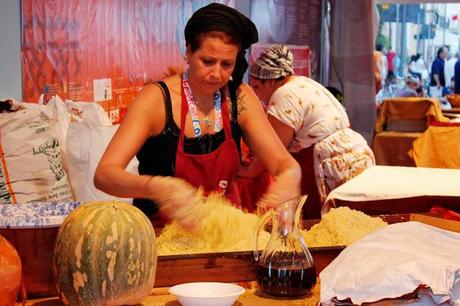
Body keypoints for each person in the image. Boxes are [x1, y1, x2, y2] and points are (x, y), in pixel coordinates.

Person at [94, 4, 301, 228]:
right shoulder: (156, 101)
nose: (216, 74)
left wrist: (290, 177)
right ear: (189, 51)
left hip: (226, 232)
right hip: (162, 235)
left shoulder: (239, 98)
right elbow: (104, 174)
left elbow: (284, 164)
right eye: (208, 61)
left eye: (226, 64)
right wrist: (155, 187)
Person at [245, 44, 375, 218]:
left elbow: (274, 150)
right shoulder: (305, 83)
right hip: (357, 153)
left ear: (270, 80)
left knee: (325, 224)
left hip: (330, 162)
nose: (257, 95)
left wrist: (248, 171)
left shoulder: (283, 94)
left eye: (256, 87)